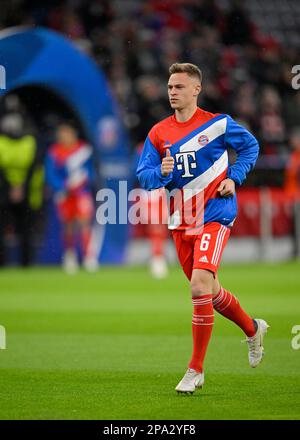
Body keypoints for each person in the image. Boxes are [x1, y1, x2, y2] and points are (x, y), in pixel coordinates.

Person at [136, 63, 269, 394]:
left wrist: (233, 178)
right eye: (169, 86)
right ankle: (253, 329)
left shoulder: (218, 124)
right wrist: (163, 172)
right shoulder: (158, 133)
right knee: (209, 291)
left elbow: (251, 146)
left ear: (196, 89)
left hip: (216, 213)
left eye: (179, 86)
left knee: (198, 287)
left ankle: (195, 370)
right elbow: (145, 176)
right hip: (182, 220)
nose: (172, 91)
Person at [46, 122, 97, 273]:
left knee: (84, 223)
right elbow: (51, 174)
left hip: (81, 193)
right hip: (64, 194)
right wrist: (62, 186)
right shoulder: (54, 152)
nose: (65, 137)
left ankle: (89, 258)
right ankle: (70, 256)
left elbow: (91, 171)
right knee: (68, 226)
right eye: (62, 133)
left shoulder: (83, 150)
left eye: (67, 133)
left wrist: (83, 180)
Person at [0, 113, 43, 266]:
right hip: (5, 192)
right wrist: (11, 187)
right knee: (4, 228)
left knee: (26, 229)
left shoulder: (29, 142)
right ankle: (3, 263)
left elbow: (34, 167)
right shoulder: (3, 142)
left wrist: (20, 187)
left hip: (25, 192)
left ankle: (26, 263)